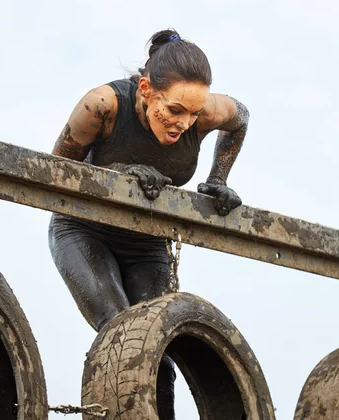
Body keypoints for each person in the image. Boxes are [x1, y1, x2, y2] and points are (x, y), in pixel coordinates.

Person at [49, 29, 249, 419]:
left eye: (193, 114)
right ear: (145, 89)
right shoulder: (103, 104)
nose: (183, 124)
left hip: (146, 244)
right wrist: (119, 172)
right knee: (120, 330)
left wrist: (219, 179)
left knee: (158, 342)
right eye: (174, 110)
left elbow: (241, 117)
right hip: (84, 230)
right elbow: (56, 172)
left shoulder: (203, 114)